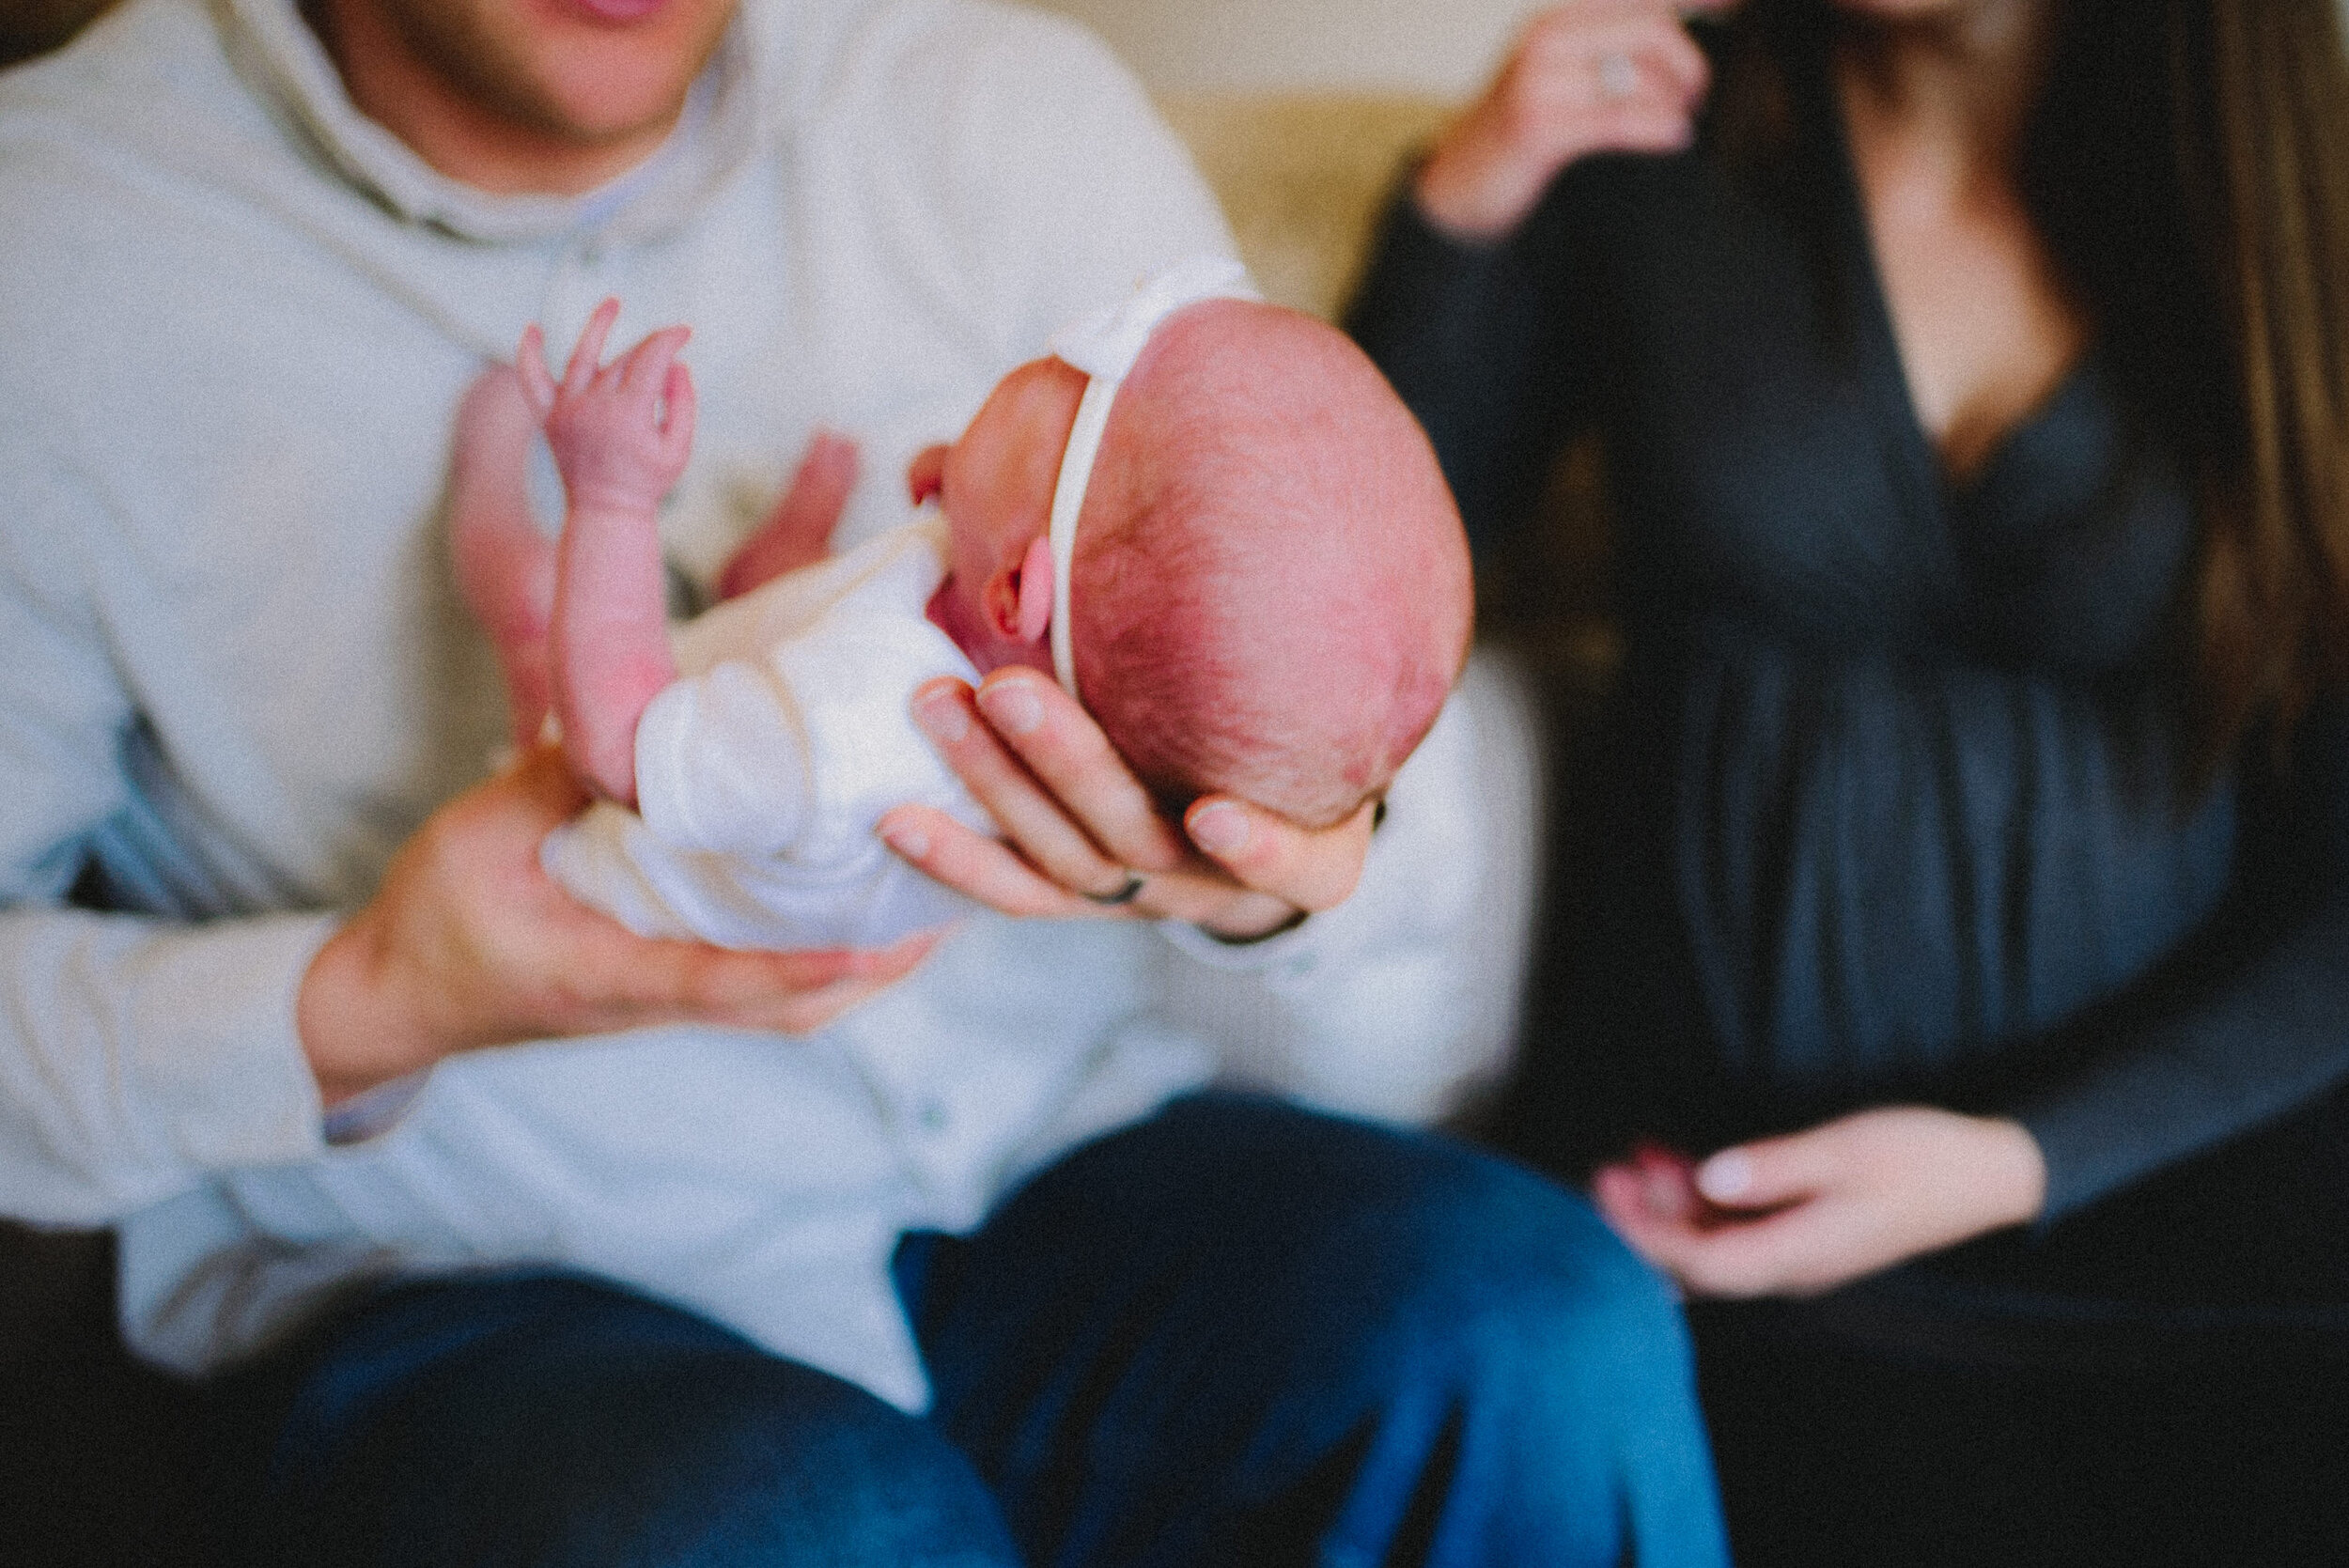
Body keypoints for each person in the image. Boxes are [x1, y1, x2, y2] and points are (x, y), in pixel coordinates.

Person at [0, 0, 1732, 1563]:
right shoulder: (58, 244)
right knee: (813, 1525)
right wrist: (364, 995)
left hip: (1042, 1148)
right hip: (482, 1265)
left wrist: (1267, 863)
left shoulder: (997, 110)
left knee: (1539, 1331)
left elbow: (1295, 660)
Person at [1347, 0, 2349, 1561]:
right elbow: (1349, 590)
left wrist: (2019, 1158)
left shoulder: (2297, 217)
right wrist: (1471, 196)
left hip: (2185, 1200)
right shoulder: (1655, 138)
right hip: (1711, 1194)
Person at [452, 272, 1470, 951]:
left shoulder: (851, 721)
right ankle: (771, 589)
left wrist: (613, 495)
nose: (1039, 358)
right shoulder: (1030, 639)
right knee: (812, 604)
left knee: (546, 623)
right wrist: (973, 483)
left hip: (618, 859)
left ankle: (490, 530)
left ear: (1015, 592)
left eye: (1062, 377)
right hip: (791, 734)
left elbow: (621, 751)